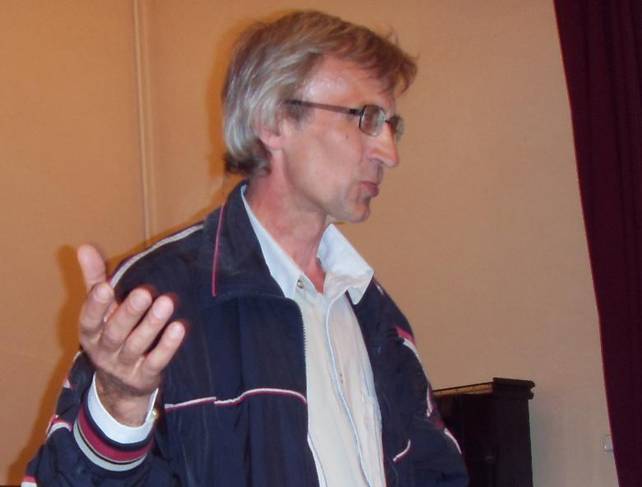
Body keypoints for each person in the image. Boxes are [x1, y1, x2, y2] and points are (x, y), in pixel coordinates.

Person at [23, 10, 467, 487]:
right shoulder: (158, 295)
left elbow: (437, 473)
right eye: (367, 119)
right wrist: (119, 403)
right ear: (273, 122)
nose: (389, 153)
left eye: (392, 126)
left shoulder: (374, 311)